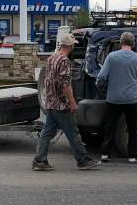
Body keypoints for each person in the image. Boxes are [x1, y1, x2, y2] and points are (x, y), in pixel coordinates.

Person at [32, 29, 99, 172]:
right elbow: (65, 85)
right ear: (69, 46)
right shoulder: (64, 61)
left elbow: (49, 80)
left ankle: (39, 160)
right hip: (61, 105)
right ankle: (83, 160)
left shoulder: (52, 58)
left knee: (47, 133)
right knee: (73, 133)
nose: (74, 47)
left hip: (51, 102)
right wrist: (73, 102)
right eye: (73, 44)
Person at [97, 31, 137, 164]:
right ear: (133, 43)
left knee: (110, 126)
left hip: (113, 98)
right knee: (133, 128)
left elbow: (102, 76)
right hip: (132, 99)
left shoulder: (111, 57)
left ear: (120, 42)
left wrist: (102, 87)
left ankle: (105, 153)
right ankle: (133, 155)